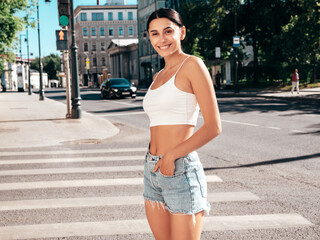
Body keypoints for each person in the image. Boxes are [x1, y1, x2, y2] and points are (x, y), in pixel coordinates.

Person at [142, 8, 221, 240]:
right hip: (152, 169)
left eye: (168, 31)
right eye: (154, 34)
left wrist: (170, 157)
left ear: (182, 32)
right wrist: (156, 159)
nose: (162, 39)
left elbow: (213, 126)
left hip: (180, 168)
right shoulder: (158, 76)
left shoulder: (193, 65)